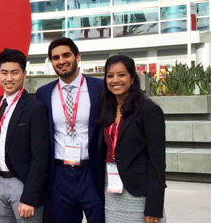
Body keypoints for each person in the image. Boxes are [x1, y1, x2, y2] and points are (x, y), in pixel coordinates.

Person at [35, 38, 104, 223]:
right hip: (60, 175)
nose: (61, 61)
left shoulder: (99, 88)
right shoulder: (44, 93)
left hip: (91, 172)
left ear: (77, 57)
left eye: (66, 55)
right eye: (55, 57)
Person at [98, 55, 165, 223]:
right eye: (110, 75)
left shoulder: (149, 110)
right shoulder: (107, 109)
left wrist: (154, 205)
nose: (115, 80)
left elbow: (157, 161)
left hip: (139, 193)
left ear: (133, 79)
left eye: (121, 74)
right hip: (112, 190)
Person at [0, 48, 49, 223]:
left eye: (14, 73)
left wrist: (30, 196)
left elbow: (40, 156)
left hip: (21, 183)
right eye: (4, 73)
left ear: (24, 73)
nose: (9, 78)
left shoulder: (34, 106)